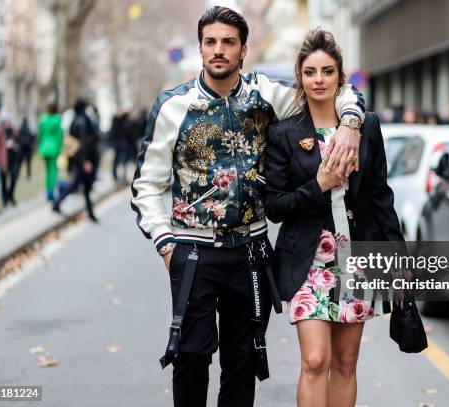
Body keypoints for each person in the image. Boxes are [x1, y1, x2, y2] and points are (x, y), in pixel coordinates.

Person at [130, 6, 365, 407]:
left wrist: (350, 123)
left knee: (242, 361)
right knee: (191, 357)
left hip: (252, 253)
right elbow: (146, 186)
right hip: (193, 251)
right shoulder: (174, 106)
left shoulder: (267, 95)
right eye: (210, 42)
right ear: (200, 48)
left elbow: (331, 88)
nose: (218, 50)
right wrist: (166, 244)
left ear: (243, 50)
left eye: (228, 42)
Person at [263, 28, 404, 407]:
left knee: (345, 362)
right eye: (310, 72)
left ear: (340, 76)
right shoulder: (283, 134)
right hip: (307, 260)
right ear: (300, 78)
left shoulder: (366, 127)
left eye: (327, 71)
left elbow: (380, 198)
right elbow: (274, 205)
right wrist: (319, 184)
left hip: (357, 257)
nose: (319, 80)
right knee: (315, 360)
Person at [52, 99, 99, 222]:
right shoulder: (83, 121)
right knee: (78, 185)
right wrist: (86, 161)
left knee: (82, 186)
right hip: (83, 159)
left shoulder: (75, 120)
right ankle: (57, 203)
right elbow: (83, 143)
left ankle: (90, 213)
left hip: (78, 158)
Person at [37, 102, 63, 201]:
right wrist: (59, 147)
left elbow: (40, 135)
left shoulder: (43, 120)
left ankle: (48, 191)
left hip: (44, 147)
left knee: (47, 171)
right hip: (53, 147)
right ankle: (51, 192)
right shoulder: (57, 120)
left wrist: (40, 147)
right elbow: (59, 135)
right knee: (53, 171)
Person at [0, 117, 21, 206]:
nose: (8, 124)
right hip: (4, 160)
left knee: (13, 179)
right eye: (6, 122)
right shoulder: (1, 133)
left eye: (9, 122)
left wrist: (15, 146)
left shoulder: (14, 133)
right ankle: (5, 199)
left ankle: (10, 195)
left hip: (13, 160)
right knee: (3, 181)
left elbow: (19, 144)